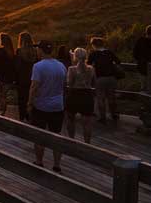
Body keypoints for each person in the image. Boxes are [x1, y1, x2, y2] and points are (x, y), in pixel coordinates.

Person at [28, 40, 67, 172]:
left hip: (41, 105)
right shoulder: (61, 66)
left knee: (39, 135)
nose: (37, 51)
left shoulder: (38, 66)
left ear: (41, 50)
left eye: (38, 49)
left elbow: (34, 87)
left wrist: (29, 103)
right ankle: (57, 164)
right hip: (58, 105)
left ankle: (39, 161)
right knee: (56, 135)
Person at [65, 47, 96, 144]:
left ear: (75, 56)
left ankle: (71, 140)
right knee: (87, 123)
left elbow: (69, 83)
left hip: (74, 95)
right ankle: (87, 144)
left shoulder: (71, 69)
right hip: (87, 95)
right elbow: (94, 83)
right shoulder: (91, 69)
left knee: (70, 119)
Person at [88, 37, 121, 123]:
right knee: (111, 97)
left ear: (94, 45)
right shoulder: (109, 52)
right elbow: (118, 61)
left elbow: (88, 65)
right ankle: (114, 114)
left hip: (100, 78)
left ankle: (102, 117)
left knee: (100, 98)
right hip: (111, 78)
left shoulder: (93, 54)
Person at [15, 32, 37, 122]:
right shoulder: (35, 51)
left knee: (22, 100)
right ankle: (30, 117)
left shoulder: (19, 51)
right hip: (33, 77)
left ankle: (22, 118)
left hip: (22, 79)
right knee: (31, 98)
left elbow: (17, 67)